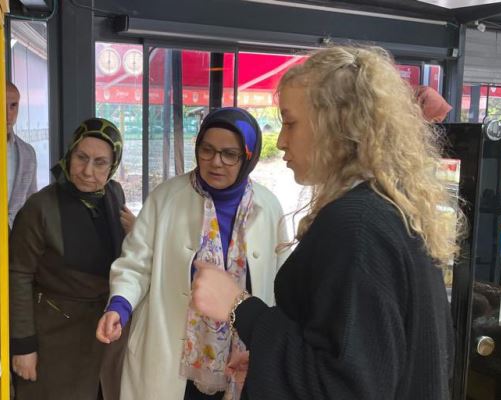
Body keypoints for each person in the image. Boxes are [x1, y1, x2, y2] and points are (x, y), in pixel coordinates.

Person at [191, 46, 458, 400]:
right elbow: (374, 360)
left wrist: (239, 307)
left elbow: (344, 387)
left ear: (335, 124)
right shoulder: (392, 210)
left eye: (290, 122)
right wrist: (270, 362)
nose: (282, 141)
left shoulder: (356, 225)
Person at [96, 108, 290, 400]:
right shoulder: (166, 198)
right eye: (206, 150)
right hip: (169, 359)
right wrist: (119, 306)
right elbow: (136, 264)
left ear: (248, 157)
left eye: (230, 154)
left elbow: (282, 281)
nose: (215, 162)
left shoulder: (269, 206)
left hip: (240, 362)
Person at [9, 118, 136, 400]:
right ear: (70, 154)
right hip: (55, 336)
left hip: (104, 333)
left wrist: (136, 233)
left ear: (113, 165)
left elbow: (122, 259)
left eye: (100, 163)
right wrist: (23, 346)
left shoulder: (113, 194)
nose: (88, 171)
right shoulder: (40, 208)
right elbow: (18, 276)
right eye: (81, 157)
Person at [7, 82, 38, 228]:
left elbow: (32, 201)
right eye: (1, 105)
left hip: (18, 233)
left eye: (13, 106)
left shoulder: (27, 153)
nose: (8, 114)